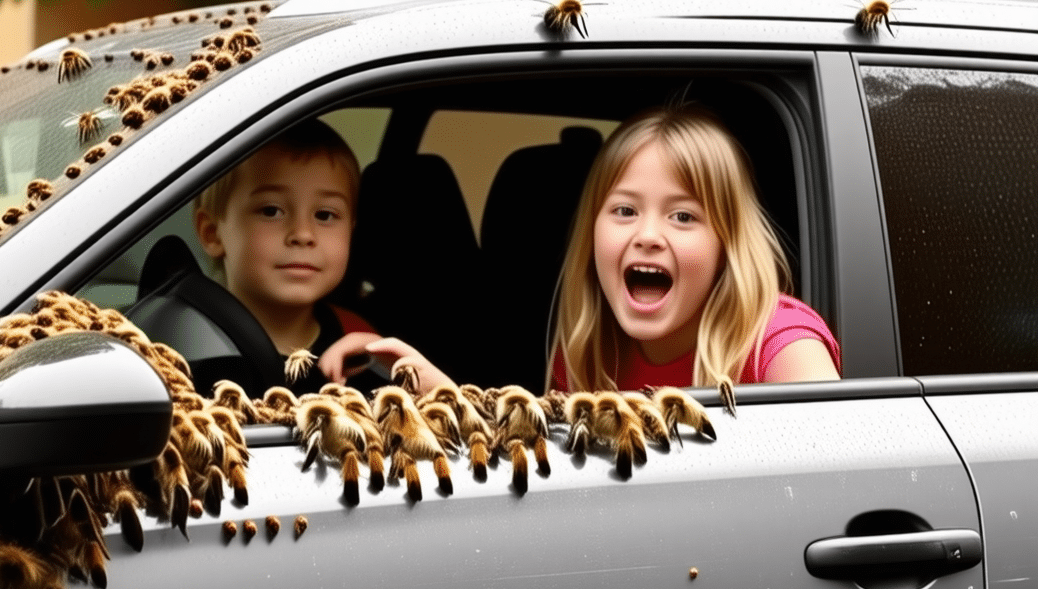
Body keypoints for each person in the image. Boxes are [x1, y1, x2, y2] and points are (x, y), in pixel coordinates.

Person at [329, 104, 840, 394]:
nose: (647, 235)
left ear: (727, 243)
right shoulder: (590, 349)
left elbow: (841, 461)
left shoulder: (775, 341)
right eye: (624, 211)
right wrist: (444, 394)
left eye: (683, 216)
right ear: (590, 235)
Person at [193, 119, 378, 392]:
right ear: (212, 233)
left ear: (351, 230)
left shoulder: (364, 348)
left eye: (325, 215)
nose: (303, 234)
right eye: (271, 211)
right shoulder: (187, 347)